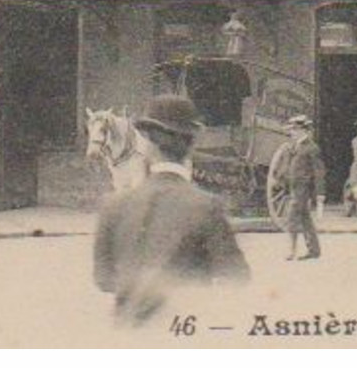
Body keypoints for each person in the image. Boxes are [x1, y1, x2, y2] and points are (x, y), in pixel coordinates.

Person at [92, 94, 249, 326]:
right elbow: (237, 278)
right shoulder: (207, 206)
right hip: (186, 332)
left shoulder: (112, 205)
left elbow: (104, 279)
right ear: (191, 144)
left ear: (146, 144)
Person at [268, 114, 324, 260]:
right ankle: (314, 250)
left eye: (294, 129)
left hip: (302, 189)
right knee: (305, 219)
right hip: (292, 187)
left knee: (292, 218)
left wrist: (320, 193)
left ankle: (291, 251)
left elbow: (319, 172)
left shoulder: (312, 148)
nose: (291, 132)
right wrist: (279, 180)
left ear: (302, 131)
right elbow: (287, 167)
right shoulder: (292, 147)